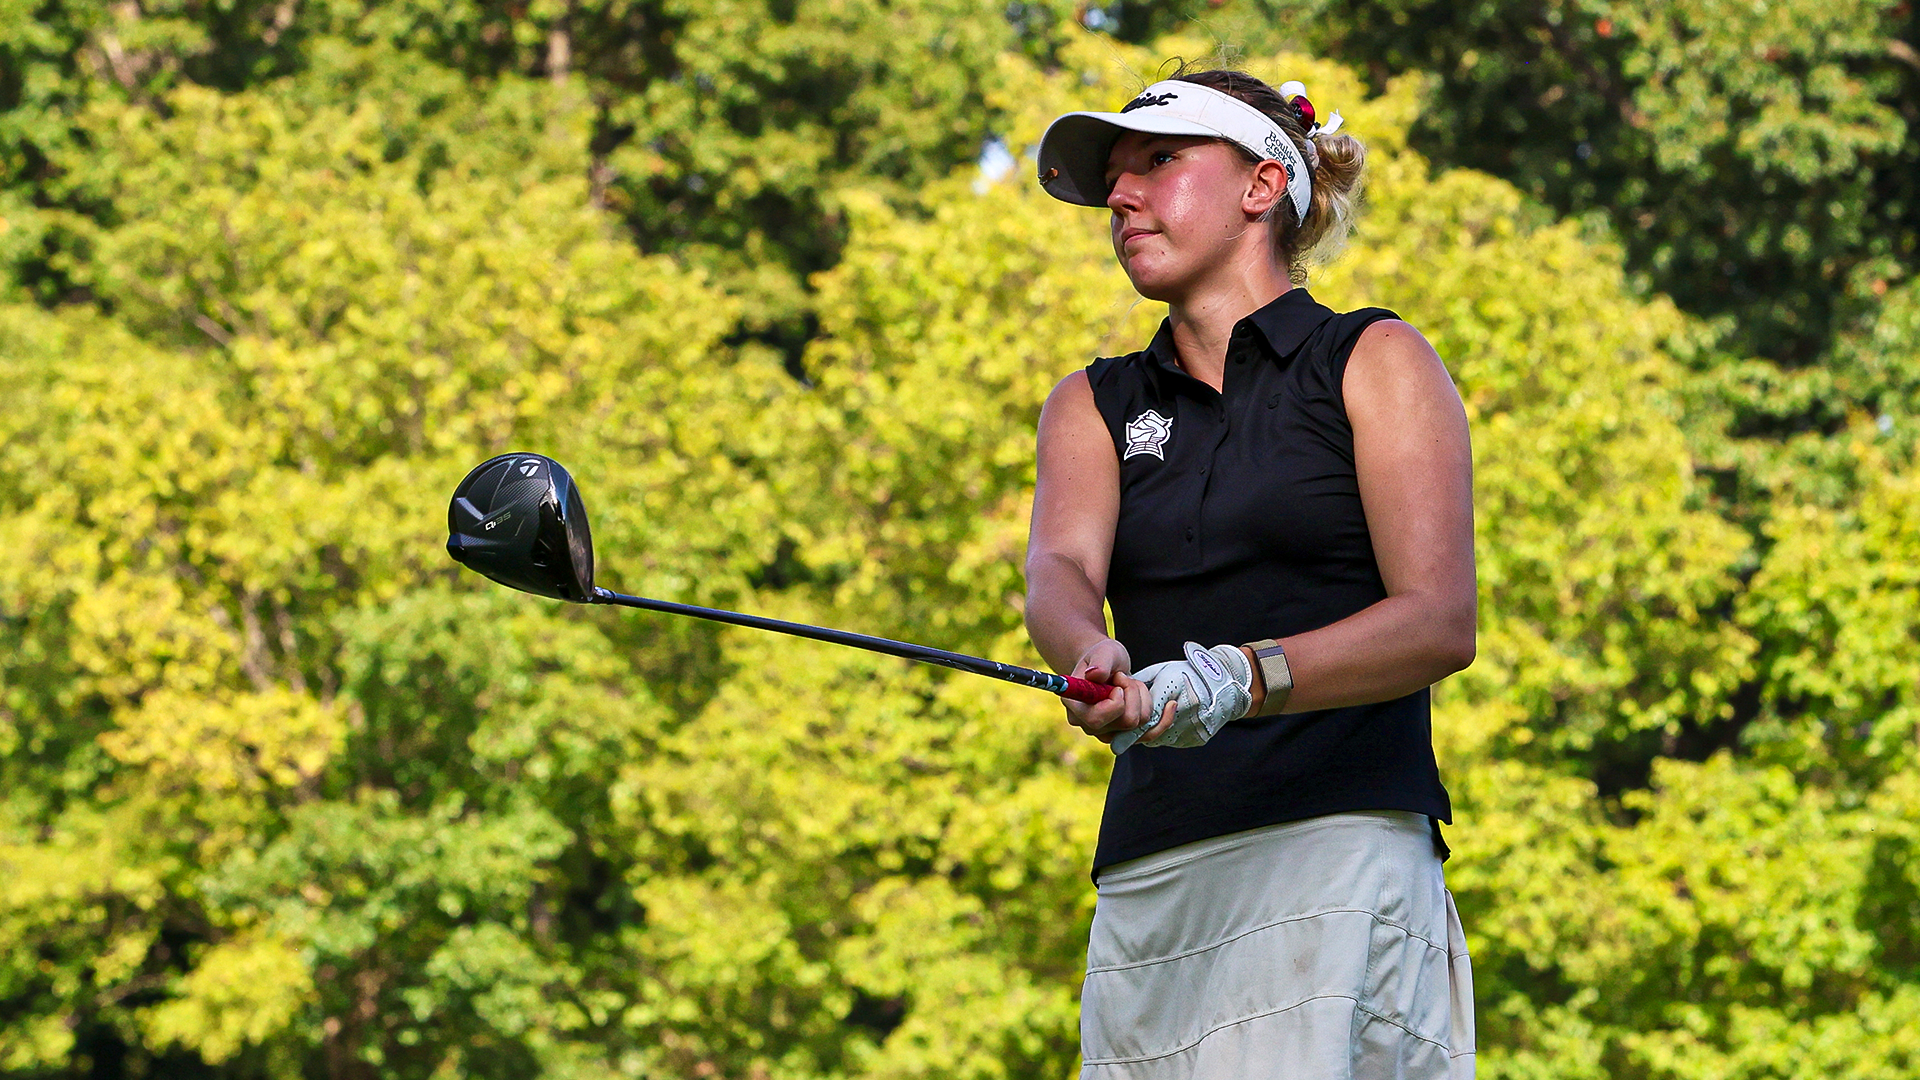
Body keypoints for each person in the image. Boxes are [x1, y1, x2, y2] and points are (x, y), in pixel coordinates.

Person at [1023, 68, 1479, 1079]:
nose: (1121, 195)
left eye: (1159, 161)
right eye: (1115, 178)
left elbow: (1440, 621)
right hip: (1154, 877)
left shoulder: (1373, 357)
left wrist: (1238, 678)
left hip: (1337, 857)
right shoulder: (1091, 403)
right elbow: (1059, 566)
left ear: (1261, 185)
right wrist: (1087, 647)